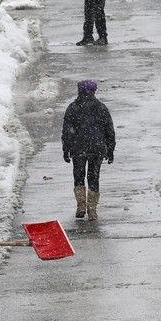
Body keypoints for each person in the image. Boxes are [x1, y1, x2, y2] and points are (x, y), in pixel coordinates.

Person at [62, 79, 116, 221]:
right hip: (97, 149)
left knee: (78, 177)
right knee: (94, 177)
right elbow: (109, 130)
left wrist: (66, 148)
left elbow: (67, 131)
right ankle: (92, 210)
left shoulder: (73, 108)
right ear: (94, 91)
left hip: (78, 148)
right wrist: (110, 149)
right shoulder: (101, 108)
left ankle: (81, 206)